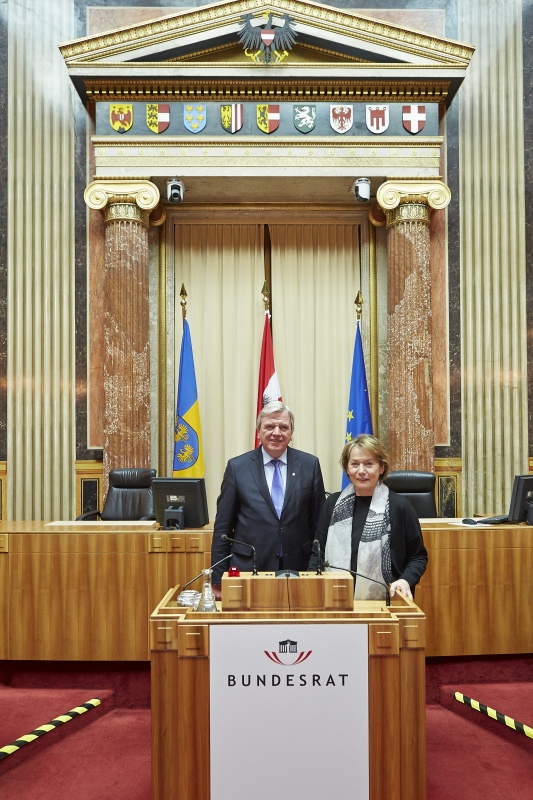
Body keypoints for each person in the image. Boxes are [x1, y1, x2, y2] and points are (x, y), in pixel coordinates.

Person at [211, 401, 326, 596]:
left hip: (299, 567)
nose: (276, 432)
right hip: (249, 567)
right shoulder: (237, 468)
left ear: (291, 433)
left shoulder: (310, 465)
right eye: (270, 426)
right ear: (259, 431)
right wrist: (217, 578)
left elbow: (318, 525)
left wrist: (316, 567)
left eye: (284, 427)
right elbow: (223, 528)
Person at [308, 434, 427, 600]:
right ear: (347, 469)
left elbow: (418, 557)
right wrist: (311, 587)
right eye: (355, 464)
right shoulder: (332, 504)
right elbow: (318, 554)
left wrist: (405, 580)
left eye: (369, 464)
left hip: (387, 600)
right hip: (335, 600)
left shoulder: (400, 506)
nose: (361, 471)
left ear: (381, 468)